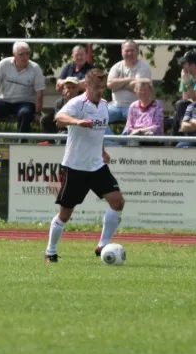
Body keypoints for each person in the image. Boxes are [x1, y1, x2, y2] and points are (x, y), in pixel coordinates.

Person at [44, 68, 125, 262]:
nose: (100, 91)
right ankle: (51, 251)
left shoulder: (105, 105)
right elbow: (59, 119)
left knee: (118, 201)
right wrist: (78, 121)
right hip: (75, 167)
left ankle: (103, 244)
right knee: (65, 214)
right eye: (96, 87)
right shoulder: (77, 103)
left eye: (102, 87)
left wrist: (103, 150)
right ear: (86, 86)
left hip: (96, 166)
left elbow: (99, 132)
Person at [0, 41, 45, 142]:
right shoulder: (4, 64)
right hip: (4, 100)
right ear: (14, 54)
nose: (25, 57)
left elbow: (40, 94)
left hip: (25, 102)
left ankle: (21, 145)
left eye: (27, 53)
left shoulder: (35, 69)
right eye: (21, 54)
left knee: (25, 114)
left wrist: (37, 113)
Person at [105, 40, 152, 144]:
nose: (129, 53)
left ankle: (121, 144)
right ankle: (115, 143)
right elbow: (109, 85)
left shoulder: (143, 67)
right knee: (97, 117)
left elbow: (138, 87)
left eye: (132, 50)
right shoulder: (117, 66)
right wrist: (130, 80)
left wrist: (118, 84)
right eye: (127, 51)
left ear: (137, 52)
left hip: (135, 105)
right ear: (122, 52)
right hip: (115, 105)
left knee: (135, 120)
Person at [39, 77, 81, 144]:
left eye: (73, 88)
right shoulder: (59, 103)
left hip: (80, 130)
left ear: (78, 89)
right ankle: (51, 143)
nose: (70, 90)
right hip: (64, 131)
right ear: (63, 90)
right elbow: (59, 123)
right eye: (68, 88)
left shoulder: (83, 102)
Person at [122, 78, 164, 146]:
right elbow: (129, 127)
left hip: (152, 137)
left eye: (146, 90)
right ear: (136, 91)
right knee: (132, 140)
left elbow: (157, 126)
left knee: (148, 137)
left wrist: (140, 131)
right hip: (135, 136)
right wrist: (136, 132)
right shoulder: (133, 106)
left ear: (150, 91)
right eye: (140, 90)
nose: (143, 92)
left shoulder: (157, 105)